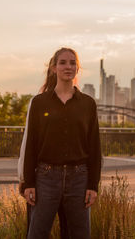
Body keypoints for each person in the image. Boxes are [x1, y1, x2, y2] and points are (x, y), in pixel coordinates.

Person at [23, 47, 101, 239]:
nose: (68, 67)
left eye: (73, 63)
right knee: (37, 234)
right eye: (63, 62)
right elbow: (31, 144)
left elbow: (94, 146)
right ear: (53, 68)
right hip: (46, 178)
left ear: (78, 69)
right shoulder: (39, 103)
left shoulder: (88, 104)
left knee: (80, 234)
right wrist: (28, 183)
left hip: (79, 179)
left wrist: (93, 185)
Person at [18, 97, 69, 238]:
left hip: (63, 176)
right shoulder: (39, 102)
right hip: (43, 176)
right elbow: (29, 144)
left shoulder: (79, 102)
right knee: (40, 229)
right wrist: (26, 179)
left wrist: (24, 178)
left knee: (38, 229)